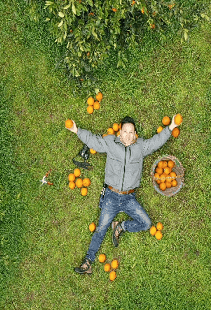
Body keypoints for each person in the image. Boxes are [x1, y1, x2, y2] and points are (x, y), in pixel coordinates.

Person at [67, 115, 180, 274]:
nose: (127, 135)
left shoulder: (141, 147)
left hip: (129, 198)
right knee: (101, 228)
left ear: (135, 134)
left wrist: (171, 126)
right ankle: (88, 262)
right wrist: (76, 130)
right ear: (120, 132)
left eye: (131, 132)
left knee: (146, 223)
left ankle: (121, 226)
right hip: (111, 196)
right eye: (125, 131)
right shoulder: (111, 142)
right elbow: (94, 141)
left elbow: (156, 142)